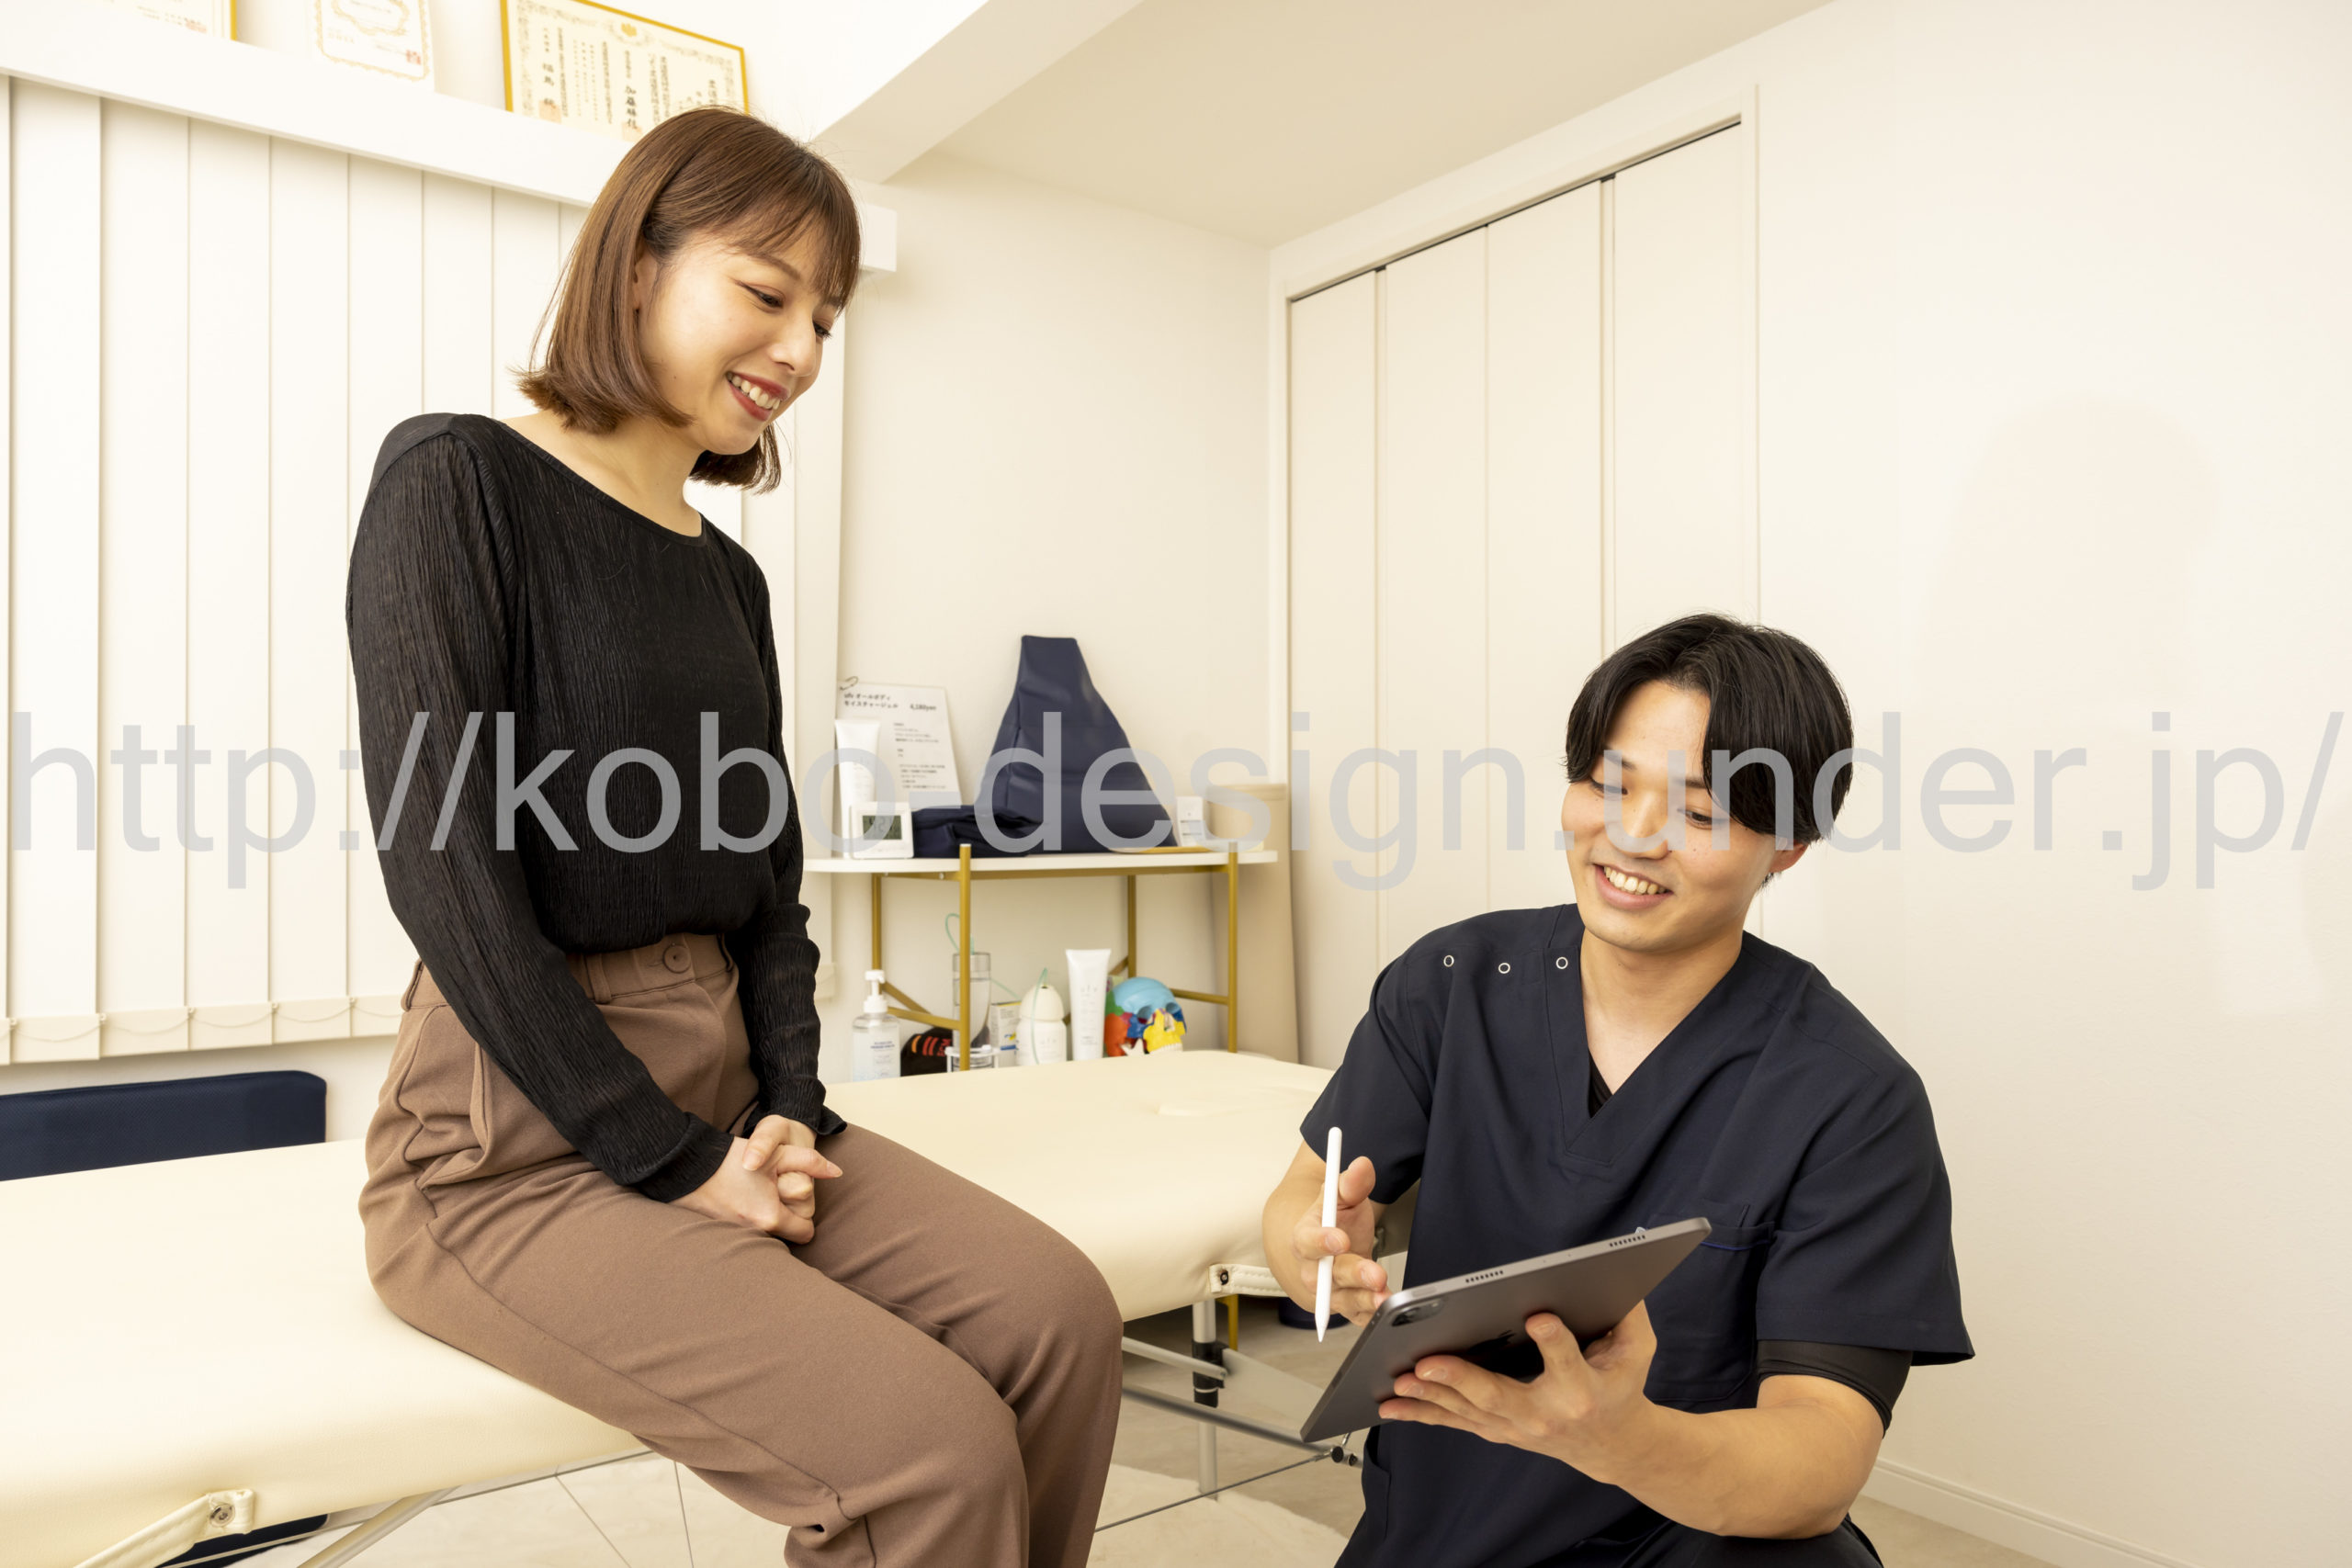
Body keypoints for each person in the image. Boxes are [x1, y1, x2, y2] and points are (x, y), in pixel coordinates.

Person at [347, 108, 1122, 1568]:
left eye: (824, 317)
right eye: (767, 292)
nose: (802, 349)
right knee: (934, 1448)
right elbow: (443, 868)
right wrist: (667, 1156)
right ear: (636, 265)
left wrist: (790, 1107)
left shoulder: (730, 582)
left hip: (722, 1092)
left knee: (1061, 1320)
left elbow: (770, 893)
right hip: (509, 1145)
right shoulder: (456, 480)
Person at [1261, 615, 1972, 1567]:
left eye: (1699, 812)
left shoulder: (1851, 1099)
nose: (1632, 836)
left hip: (1687, 1537)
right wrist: (1314, 1254)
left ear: (1789, 845)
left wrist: (1616, 1438)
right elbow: (1304, 1199)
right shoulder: (1452, 985)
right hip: (1441, 1529)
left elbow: (1820, 1460)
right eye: (1608, 783)